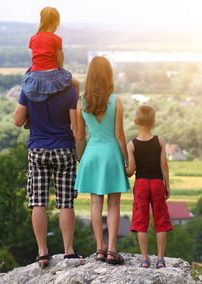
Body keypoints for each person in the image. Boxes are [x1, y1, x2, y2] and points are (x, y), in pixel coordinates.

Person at [13, 74, 82, 269]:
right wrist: (79, 151)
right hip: (64, 149)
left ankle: (42, 253)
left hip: (38, 149)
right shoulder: (69, 91)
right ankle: (69, 250)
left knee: (38, 202)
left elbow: (18, 121)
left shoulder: (29, 90)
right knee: (66, 202)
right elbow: (76, 127)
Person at [74, 56, 130, 265]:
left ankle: (99, 248)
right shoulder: (115, 100)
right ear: (109, 76)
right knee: (114, 204)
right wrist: (128, 159)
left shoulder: (81, 102)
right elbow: (120, 135)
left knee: (96, 203)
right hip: (112, 155)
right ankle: (112, 249)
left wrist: (80, 157)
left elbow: (80, 136)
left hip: (91, 155)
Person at [125, 104, 173, 269]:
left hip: (141, 184)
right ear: (153, 122)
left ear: (135, 121)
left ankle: (145, 259)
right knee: (161, 220)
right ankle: (160, 259)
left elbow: (131, 170)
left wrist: (121, 171)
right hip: (157, 183)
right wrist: (167, 184)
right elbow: (164, 165)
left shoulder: (131, 145)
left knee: (141, 221)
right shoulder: (160, 141)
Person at [22, 7, 80, 128]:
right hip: (52, 73)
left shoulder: (33, 38)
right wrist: (62, 76)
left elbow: (35, 58)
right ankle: (75, 112)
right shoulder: (56, 39)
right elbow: (59, 61)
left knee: (27, 88)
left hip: (35, 75)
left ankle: (28, 115)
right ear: (56, 23)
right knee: (77, 83)